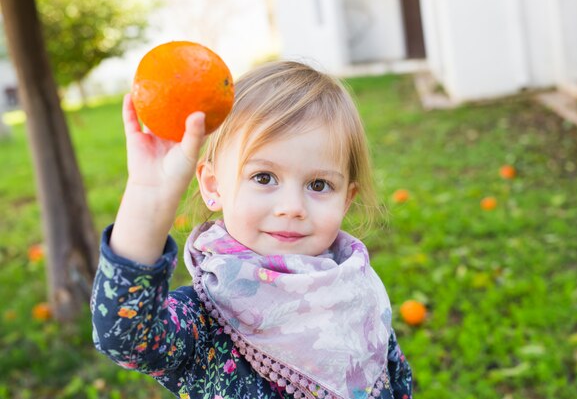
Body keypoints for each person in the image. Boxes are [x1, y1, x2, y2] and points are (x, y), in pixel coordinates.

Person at [91, 61, 413, 399]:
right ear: (214, 186)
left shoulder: (354, 287)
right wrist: (147, 198)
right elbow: (124, 335)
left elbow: (395, 383)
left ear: (346, 200)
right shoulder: (207, 317)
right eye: (264, 178)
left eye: (319, 184)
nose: (292, 206)